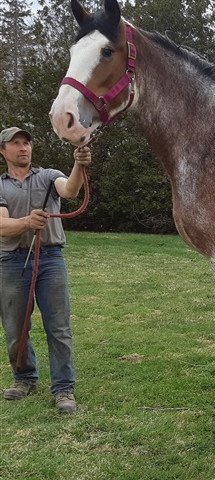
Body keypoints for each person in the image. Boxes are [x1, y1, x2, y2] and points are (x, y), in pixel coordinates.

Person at [0, 126, 91, 413]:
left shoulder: (49, 176)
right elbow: (1, 227)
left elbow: (71, 190)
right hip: (11, 261)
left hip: (50, 259)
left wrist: (78, 163)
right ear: (3, 151)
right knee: (16, 328)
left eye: (26, 142)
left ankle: (64, 389)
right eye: (15, 143)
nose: (23, 148)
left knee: (59, 327)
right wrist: (27, 222)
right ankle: (24, 378)